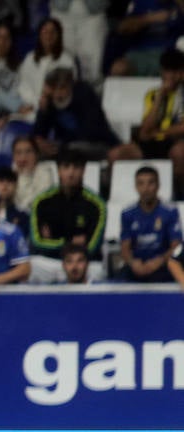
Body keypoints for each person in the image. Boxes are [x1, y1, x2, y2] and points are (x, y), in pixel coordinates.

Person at [107, 48, 184, 192]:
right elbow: (144, 133)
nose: (171, 76)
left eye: (175, 71)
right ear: (162, 72)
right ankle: (119, 196)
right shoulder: (153, 94)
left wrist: (159, 132)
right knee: (115, 155)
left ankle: (178, 195)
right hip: (151, 144)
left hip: (174, 143)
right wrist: (160, 98)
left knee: (179, 153)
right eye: (168, 71)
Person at [28, 149, 106, 283]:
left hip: (84, 264)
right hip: (52, 263)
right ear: (58, 170)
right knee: (32, 265)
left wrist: (55, 242)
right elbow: (37, 242)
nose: (71, 173)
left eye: (76, 167)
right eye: (66, 167)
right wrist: (69, 242)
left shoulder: (96, 204)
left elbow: (93, 246)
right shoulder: (41, 202)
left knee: (98, 271)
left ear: (83, 171)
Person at [32, 67, 116, 161]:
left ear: (71, 85)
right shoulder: (49, 101)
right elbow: (39, 135)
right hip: (66, 148)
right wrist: (43, 111)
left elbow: (90, 132)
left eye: (62, 87)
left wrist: (61, 145)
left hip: (98, 144)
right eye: (54, 88)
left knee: (75, 148)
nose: (57, 93)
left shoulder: (84, 94)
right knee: (35, 153)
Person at [118, 164, 181, 283]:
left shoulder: (170, 211)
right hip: (137, 266)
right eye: (141, 183)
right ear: (136, 186)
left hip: (163, 265)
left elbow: (176, 245)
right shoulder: (127, 213)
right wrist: (133, 263)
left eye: (150, 183)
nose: (146, 188)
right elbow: (124, 247)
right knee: (120, 278)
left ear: (158, 185)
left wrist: (159, 261)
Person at [18, 18, 77, 113]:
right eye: (45, 32)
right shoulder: (29, 58)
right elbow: (23, 86)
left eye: (53, 32)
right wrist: (35, 102)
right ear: (39, 35)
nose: (49, 36)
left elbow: (69, 90)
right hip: (30, 106)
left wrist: (48, 103)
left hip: (57, 110)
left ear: (59, 36)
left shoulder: (67, 60)